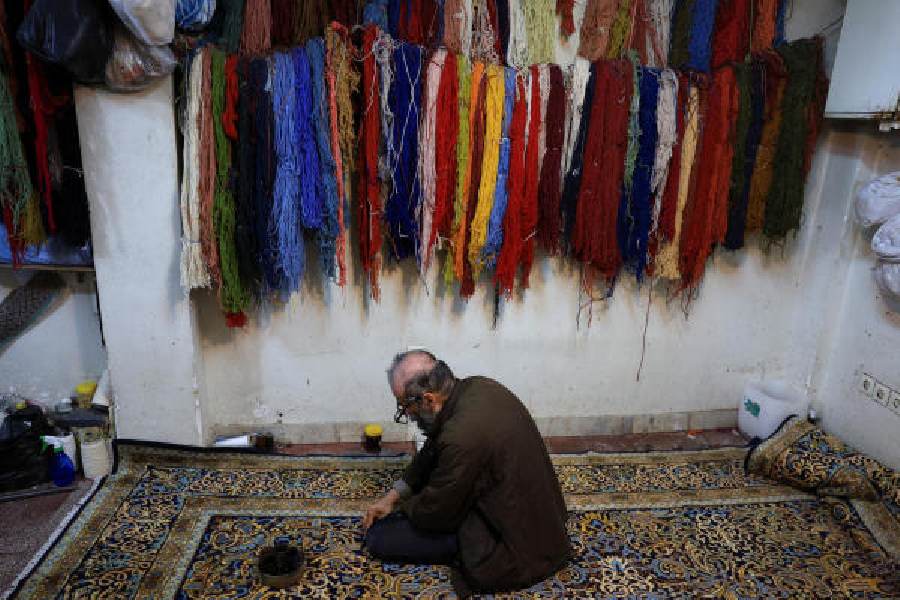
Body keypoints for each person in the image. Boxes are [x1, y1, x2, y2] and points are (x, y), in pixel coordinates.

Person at [362, 350, 570, 597]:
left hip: (518, 547)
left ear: (428, 399)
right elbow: (432, 449)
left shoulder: (461, 437)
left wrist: (401, 509)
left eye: (406, 406)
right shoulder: (477, 386)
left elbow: (434, 514)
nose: (406, 414)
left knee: (380, 537)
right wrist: (393, 496)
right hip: (542, 521)